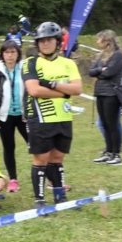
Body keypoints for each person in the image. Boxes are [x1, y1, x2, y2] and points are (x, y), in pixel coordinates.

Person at [22, 21, 82, 208]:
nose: (45, 44)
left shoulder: (68, 63)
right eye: (41, 41)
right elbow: (34, 90)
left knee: (57, 158)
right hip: (40, 118)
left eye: (49, 40)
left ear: (57, 42)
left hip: (63, 118)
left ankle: (60, 196)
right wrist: (65, 92)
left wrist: (52, 84)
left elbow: (78, 88)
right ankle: (40, 199)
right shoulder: (30, 63)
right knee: (41, 159)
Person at [0, 41, 28, 193]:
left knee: (36, 145)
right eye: (7, 52)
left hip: (24, 116)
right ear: (2, 55)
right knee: (9, 147)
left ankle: (50, 177)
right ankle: (13, 180)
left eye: (13, 52)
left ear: (18, 54)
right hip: (5, 117)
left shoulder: (25, 69)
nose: (10, 55)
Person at [88, 30, 122, 165]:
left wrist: (101, 72)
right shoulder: (99, 56)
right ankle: (108, 151)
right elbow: (91, 72)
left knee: (112, 124)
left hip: (112, 93)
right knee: (104, 123)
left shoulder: (118, 55)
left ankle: (116, 154)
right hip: (100, 93)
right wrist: (100, 70)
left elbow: (110, 72)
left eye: (99, 39)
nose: (97, 42)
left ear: (107, 40)